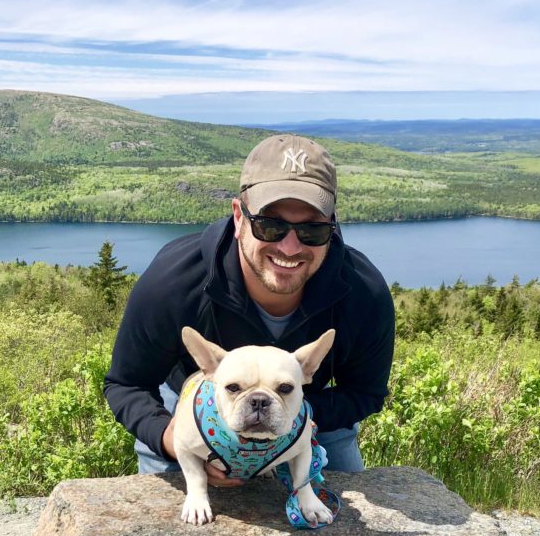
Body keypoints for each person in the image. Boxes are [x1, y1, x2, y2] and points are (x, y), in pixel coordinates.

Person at [104, 134, 395, 483]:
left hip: (308, 409)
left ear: (333, 227)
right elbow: (127, 383)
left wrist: (294, 416)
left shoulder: (364, 294)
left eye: (312, 230)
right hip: (195, 403)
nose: (289, 246)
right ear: (239, 217)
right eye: (270, 225)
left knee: (342, 520)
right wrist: (168, 438)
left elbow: (366, 392)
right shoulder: (175, 283)